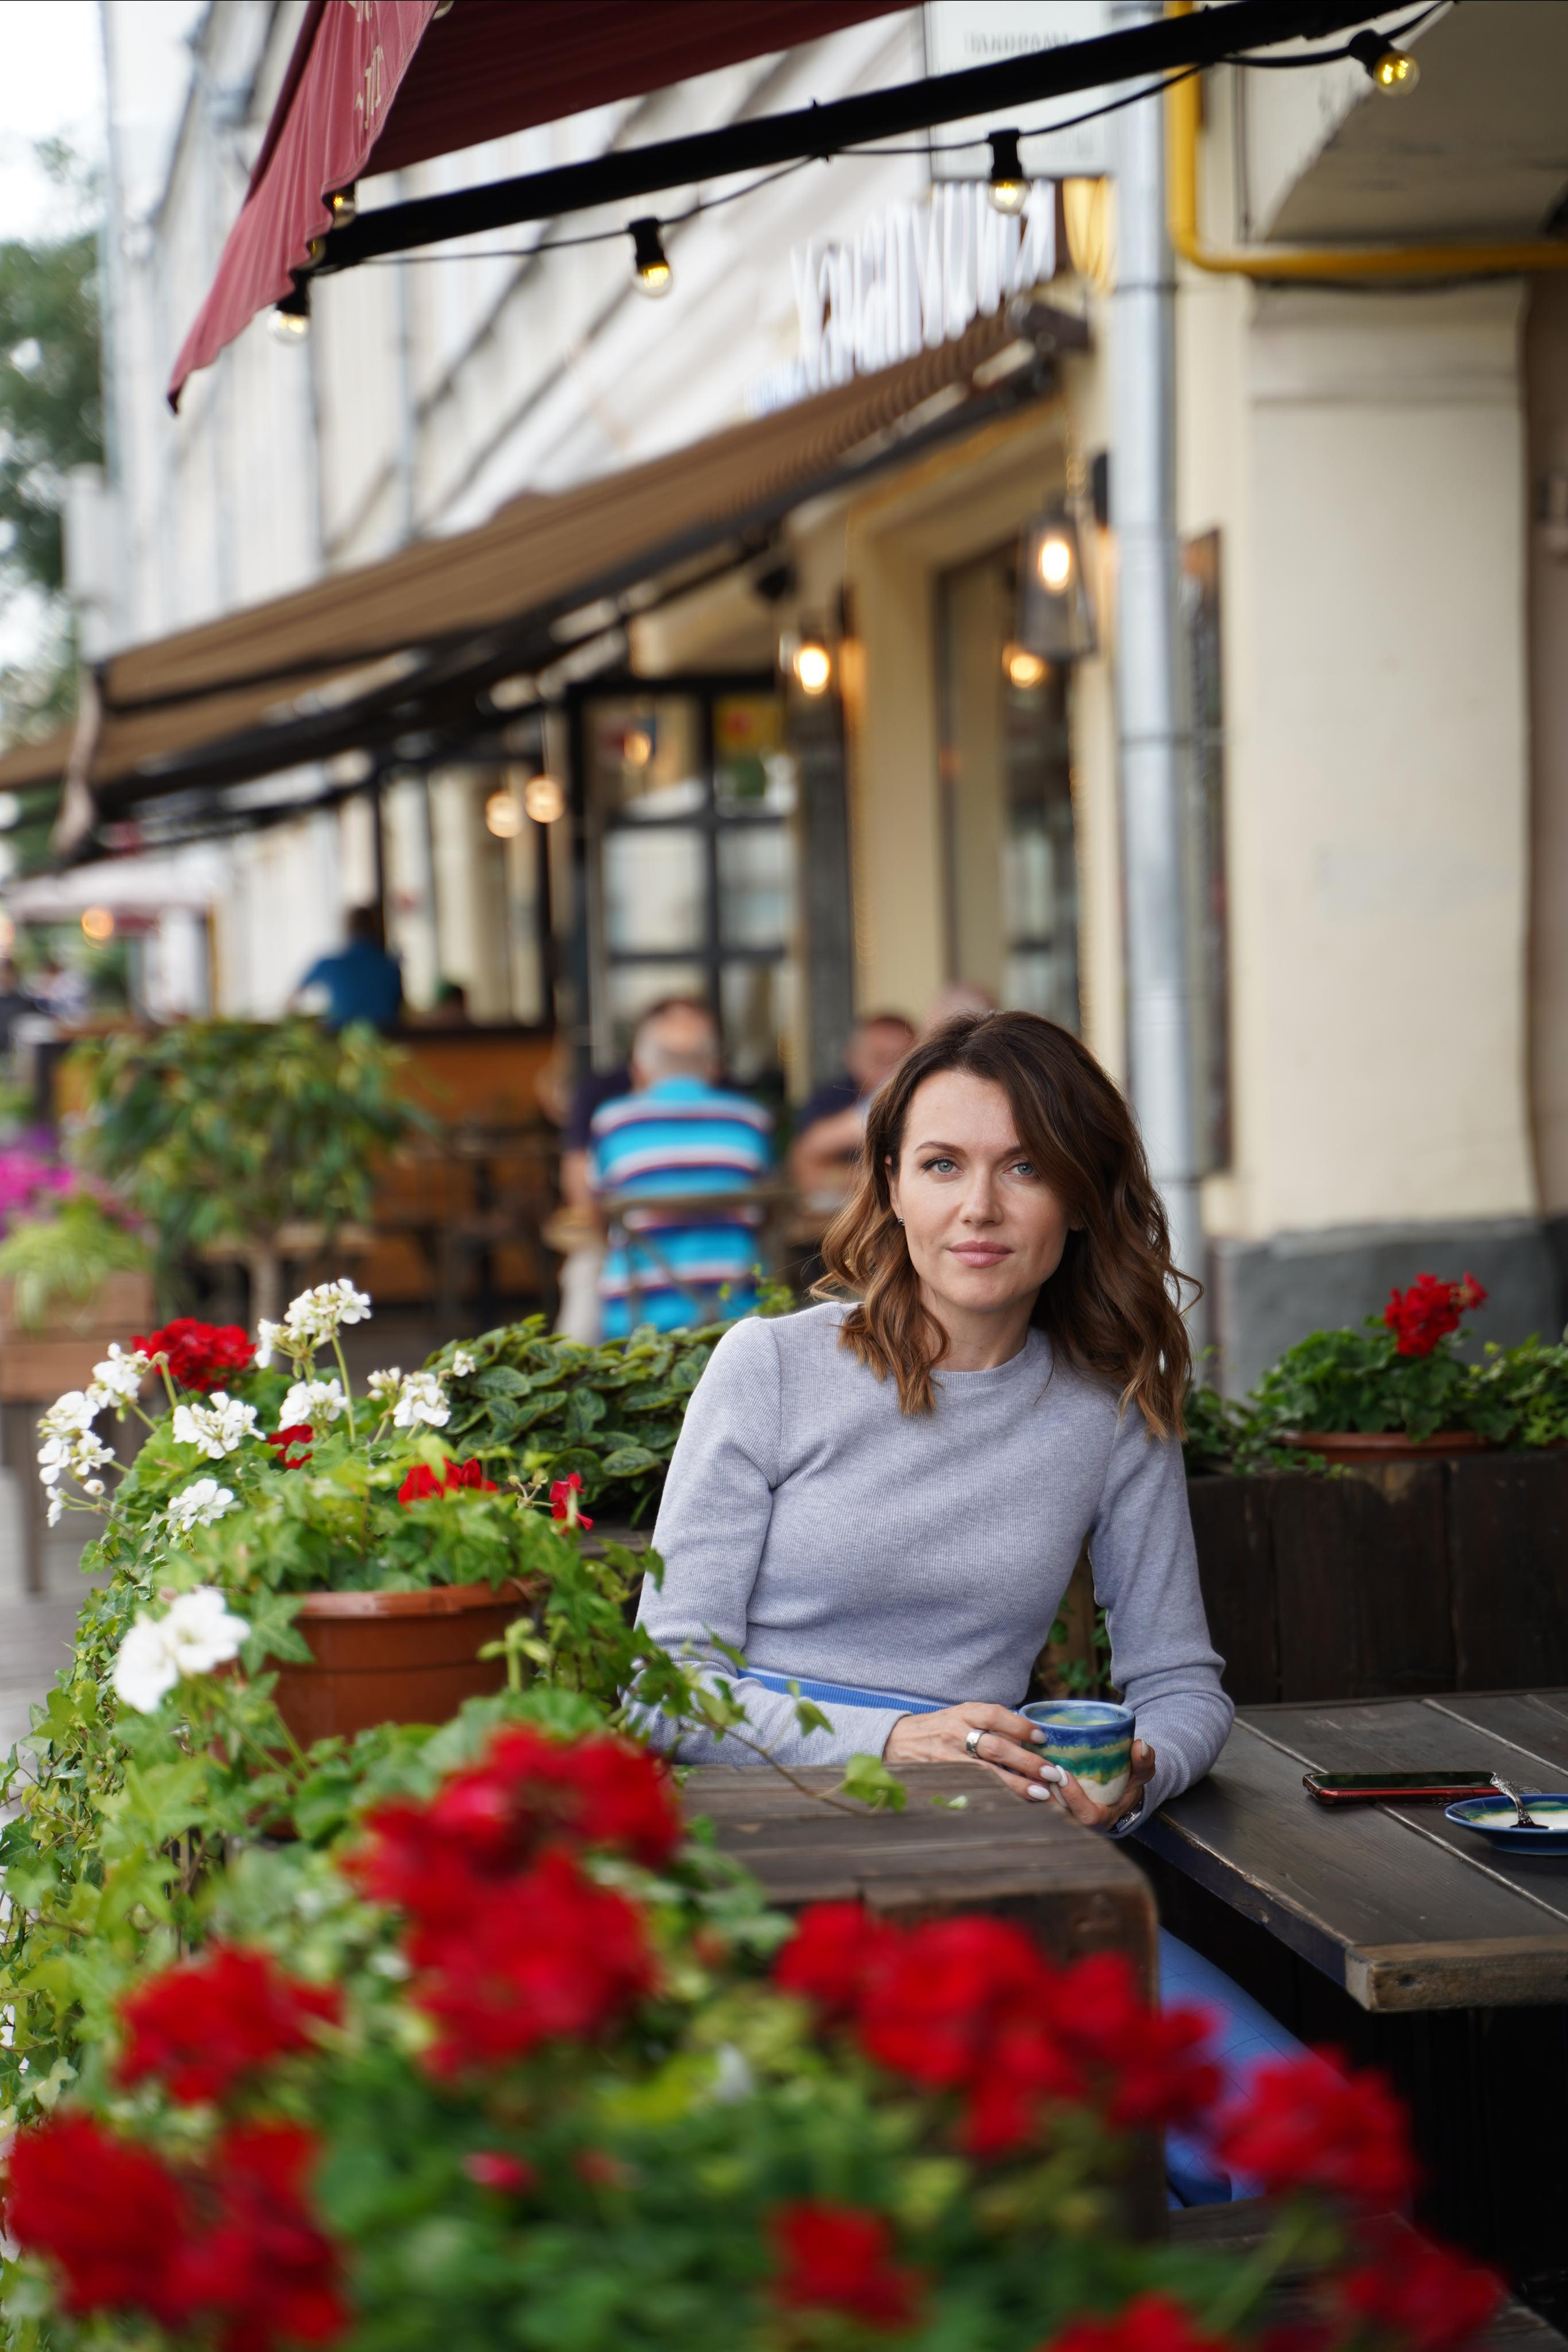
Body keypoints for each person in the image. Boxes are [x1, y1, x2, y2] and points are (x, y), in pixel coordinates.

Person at [633, 1008, 1232, 1841]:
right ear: (891, 1186)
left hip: (979, 1831)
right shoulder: (769, 1367)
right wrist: (891, 1744)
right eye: (942, 1165)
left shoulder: (1115, 1409)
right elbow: (664, 1691)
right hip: (754, 1831)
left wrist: (1139, 1776)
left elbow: (1179, 1683)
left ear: (1082, 1196)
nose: (979, 1207)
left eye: (1025, 1167)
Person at [590, 1001, 771, 1338]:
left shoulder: (613, 1123)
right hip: (740, 1318)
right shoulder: (751, 1121)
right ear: (714, 1066)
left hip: (637, 1318)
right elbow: (765, 1212)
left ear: (640, 1069)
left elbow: (598, 1215)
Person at [788, 1011, 915, 1205]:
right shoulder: (830, 1098)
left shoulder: (925, 1097)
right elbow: (804, 1163)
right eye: (880, 1060)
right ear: (853, 1057)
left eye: (904, 1062)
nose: (893, 1073)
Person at [292, 907, 402, 1032]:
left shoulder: (331, 964)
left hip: (340, 1040)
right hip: (387, 1040)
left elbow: (292, 1000)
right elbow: (400, 1010)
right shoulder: (391, 967)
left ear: (348, 929)